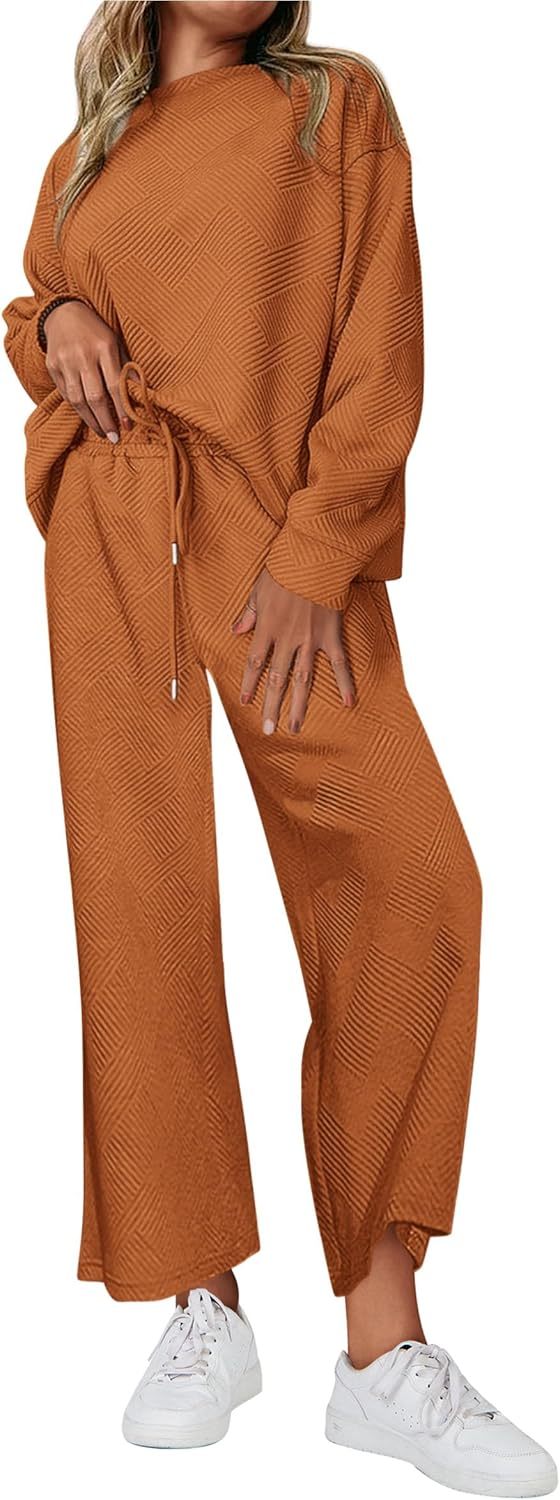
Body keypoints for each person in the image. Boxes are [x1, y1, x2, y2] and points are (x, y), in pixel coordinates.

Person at [3, 1, 556, 1492]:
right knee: (141, 904)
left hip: (277, 552)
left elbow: (381, 340)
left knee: (415, 881)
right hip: (116, 536)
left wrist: (317, 554)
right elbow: (40, 300)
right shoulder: (82, 153)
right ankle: (202, 1302)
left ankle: (382, 1352)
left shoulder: (334, 108)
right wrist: (49, 324)